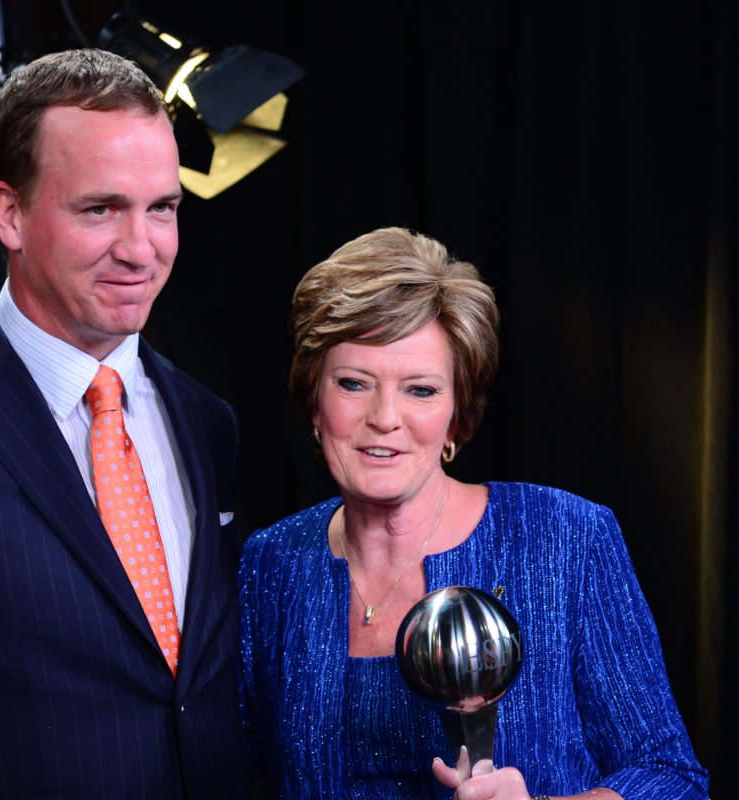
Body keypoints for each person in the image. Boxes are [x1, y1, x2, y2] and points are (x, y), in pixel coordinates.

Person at [238, 227, 708, 799]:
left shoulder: (567, 538)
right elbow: (231, 772)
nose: (385, 418)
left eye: (421, 390)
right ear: (314, 397)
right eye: (354, 383)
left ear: (457, 416)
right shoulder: (271, 563)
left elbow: (671, 776)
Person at [0, 49, 248, 798]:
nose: (141, 250)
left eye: (163, 208)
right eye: (100, 208)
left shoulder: (209, 422)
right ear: (9, 213)